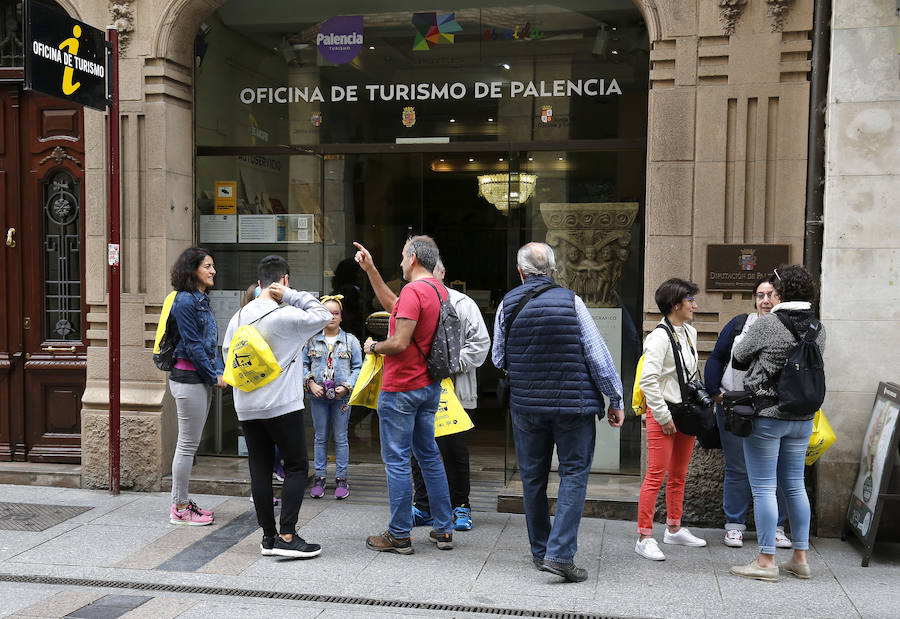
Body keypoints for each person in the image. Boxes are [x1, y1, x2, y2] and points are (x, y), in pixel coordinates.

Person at [492, 242, 625, 583]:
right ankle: (561, 555)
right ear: (553, 271)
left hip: (527, 407)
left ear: (520, 272)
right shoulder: (572, 301)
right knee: (574, 474)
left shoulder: (507, 305)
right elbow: (598, 357)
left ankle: (541, 552)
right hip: (573, 407)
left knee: (533, 479)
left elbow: (498, 359)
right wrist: (616, 399)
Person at [222, 255, 332, 558]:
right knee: (296, 466)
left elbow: (227, 355)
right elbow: (324, 315)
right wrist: (292, 296)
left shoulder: (239, 317)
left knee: (259, 469)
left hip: (246, 405)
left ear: (258, 284)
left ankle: (268, 537)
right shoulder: (286, 315)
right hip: (281, 405)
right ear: (284, 281)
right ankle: (287, 535)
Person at [354, 236, 455, 554]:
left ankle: (399, 534)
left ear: (412, 258)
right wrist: (371, 270)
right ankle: (444, 528)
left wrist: (373, 346)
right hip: (428, 387)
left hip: (402, 389)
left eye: (401, 256)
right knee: (429, 456)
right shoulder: (438, 290)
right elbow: (394, 308)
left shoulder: (414, 291)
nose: (399, 262)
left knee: (396, 460)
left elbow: (398, 342)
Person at [729, 265, 825, 582]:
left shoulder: (769, 324)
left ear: (780, 293)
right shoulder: (818, 328)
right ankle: (800, 558)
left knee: (764, 487)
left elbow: (739, 358)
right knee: (795, 485)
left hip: (767, 416)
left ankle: (767, 560)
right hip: (802, 418)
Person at [705, 277, 792, 549]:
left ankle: (777, 527)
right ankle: (734, 525)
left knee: (776, 469)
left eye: (771, 294)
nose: (765, 300)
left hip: (771, 409)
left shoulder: (787, 328)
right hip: (733, 406)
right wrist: (714, 392)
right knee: (738, 467)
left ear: (780, 298)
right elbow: (717, 357)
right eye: (760, 295)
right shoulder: (740, 325)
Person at [635, 278, 708, 561]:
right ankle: (644, 536)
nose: (695, 305)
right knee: (655, 476)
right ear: (676, 305)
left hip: (685, 413)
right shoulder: (658, 337)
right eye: (690, 301)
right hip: (663, 413)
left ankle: (674, 528)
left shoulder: (689, 331)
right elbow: (648, 380)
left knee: (679, 474)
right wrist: (663, 416)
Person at [167, 247, 225, 526]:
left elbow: (207, 345)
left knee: (190, 444)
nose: (213, 271)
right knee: (187, 444)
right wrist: (213, 375)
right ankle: (179, 507)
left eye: (213, 266)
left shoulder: (200, 300)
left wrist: (214, 373)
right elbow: (192, 346)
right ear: (193, 270)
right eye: (208, 266)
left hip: (198, 378)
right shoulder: (186, 302)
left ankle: (182, 502)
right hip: (188, 379)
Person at [303, 295, 363, 500]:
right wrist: (311, 383)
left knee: (340, 437)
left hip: (342, 398)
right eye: (327, 313)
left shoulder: (351, 341)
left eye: (336, 313)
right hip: (318, 397)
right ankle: (319, 477)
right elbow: (303, 365)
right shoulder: (311, 340)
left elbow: (358, 368)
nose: (331, 317)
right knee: (320, 437)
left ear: (341, 316)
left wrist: (347, 387)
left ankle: (341, 478)